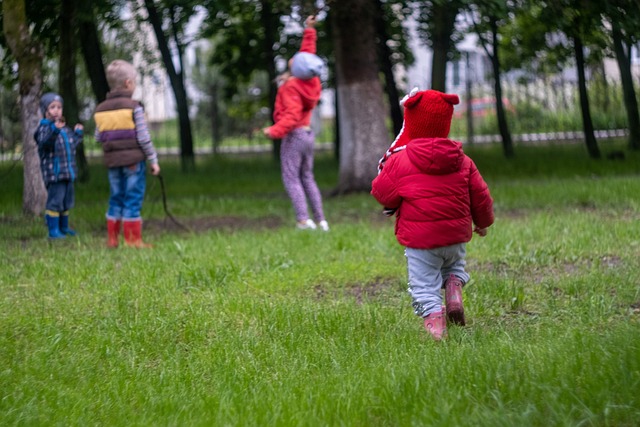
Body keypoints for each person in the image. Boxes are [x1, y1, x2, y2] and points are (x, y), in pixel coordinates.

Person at [371, 89, 494, 340]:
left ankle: (435, 327)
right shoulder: (463, 160)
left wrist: (394, 203)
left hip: (421, 241)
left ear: (412, 122)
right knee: (454, 267)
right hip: (456, 236)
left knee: (424, 285)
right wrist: (482, 223)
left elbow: (382, 193)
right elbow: (480, 195)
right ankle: (453, 289)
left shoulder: (400, 160)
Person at [262, 15, 329, 231]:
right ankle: (321, 220)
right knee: (308, 177)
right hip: (308, 135)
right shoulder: (311, 79)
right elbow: (307, 54)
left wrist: (274, 131)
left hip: (295, 135)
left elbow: (291, 116)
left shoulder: (291, 86)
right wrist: (309, 30)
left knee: (291, 178)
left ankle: (303, 220)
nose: (297, 58)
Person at [94, 59, 161, 248]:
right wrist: (153, 160)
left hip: (112, 163)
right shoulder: (134, 107)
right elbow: (143, 137)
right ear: (128, 83)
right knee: (132, 197)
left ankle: (113, 239)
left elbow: (98, 137)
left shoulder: (100, 109)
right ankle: (133, 240)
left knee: (116, 196)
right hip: (133, 162)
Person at [34, 92, 84, 239]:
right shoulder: (43, 129)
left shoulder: (64, 129)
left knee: (66, 202)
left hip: (67, 172)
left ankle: (64, 227)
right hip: (54, 174)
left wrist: (78, 135)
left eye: (59, 107)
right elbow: (46, 143)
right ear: (45, 111)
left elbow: (72, 145)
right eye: (52, 107)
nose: (56, 110)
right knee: (55, 202)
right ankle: (53, 230)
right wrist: (55, 130)